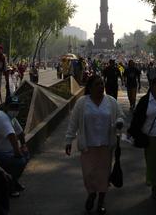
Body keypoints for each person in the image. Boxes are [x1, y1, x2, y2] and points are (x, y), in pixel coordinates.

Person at [65, 75, 124, 214]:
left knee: (104, 175)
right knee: (89, 174)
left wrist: (119, 122)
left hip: (105, 145)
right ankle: (91, 194)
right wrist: (69, 140)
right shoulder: (82, 103)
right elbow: (73, 123)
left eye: (102, 84)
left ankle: (101, 201)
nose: (101, 87)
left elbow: (120, 115)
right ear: (90, 87)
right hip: (88, 146)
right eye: (97, 84)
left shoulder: (111, 101)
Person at [0, 96, 29, 197]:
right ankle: (9, 186)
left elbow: (20, 133)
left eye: (17, 107)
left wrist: (23, 145)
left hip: (5, 152)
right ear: (6, 107)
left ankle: (14, 180)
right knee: (19, 161)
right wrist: (18, 152)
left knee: (25, 154)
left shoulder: (12, 118)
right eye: (12, 107)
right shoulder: (2, 118)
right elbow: (12, 136)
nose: (15, 110)